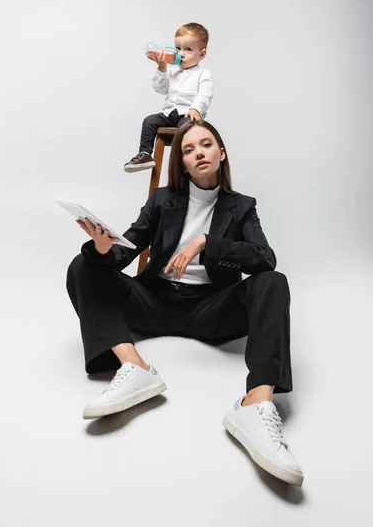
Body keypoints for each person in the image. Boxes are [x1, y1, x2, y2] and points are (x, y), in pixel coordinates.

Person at [67, 119, 304, 487]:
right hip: (155, 302)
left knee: (274, 283)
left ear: (221, 153)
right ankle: (134, 368)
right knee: (85, 265)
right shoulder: (163, 200)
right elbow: (125, 251)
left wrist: (207, 242)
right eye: (188, 150)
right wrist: (102, 249)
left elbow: (264, 258)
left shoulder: (242, 207)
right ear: (183, 163)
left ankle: (255, 406)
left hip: (210, 310)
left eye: (206, 145)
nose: (198, 153)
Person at [123, 22, 213, 173]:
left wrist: (195, 108)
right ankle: (145, 154)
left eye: (188, 49)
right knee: (150, 121)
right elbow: (160, 89)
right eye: (178, 48)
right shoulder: (172, 71)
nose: (181, 54)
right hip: (169, 114)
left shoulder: (202, 74)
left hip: (187, 114)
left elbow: (205, 94)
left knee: (187, 126)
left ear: (201, 54)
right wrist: (162, 68)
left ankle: (185, 160)